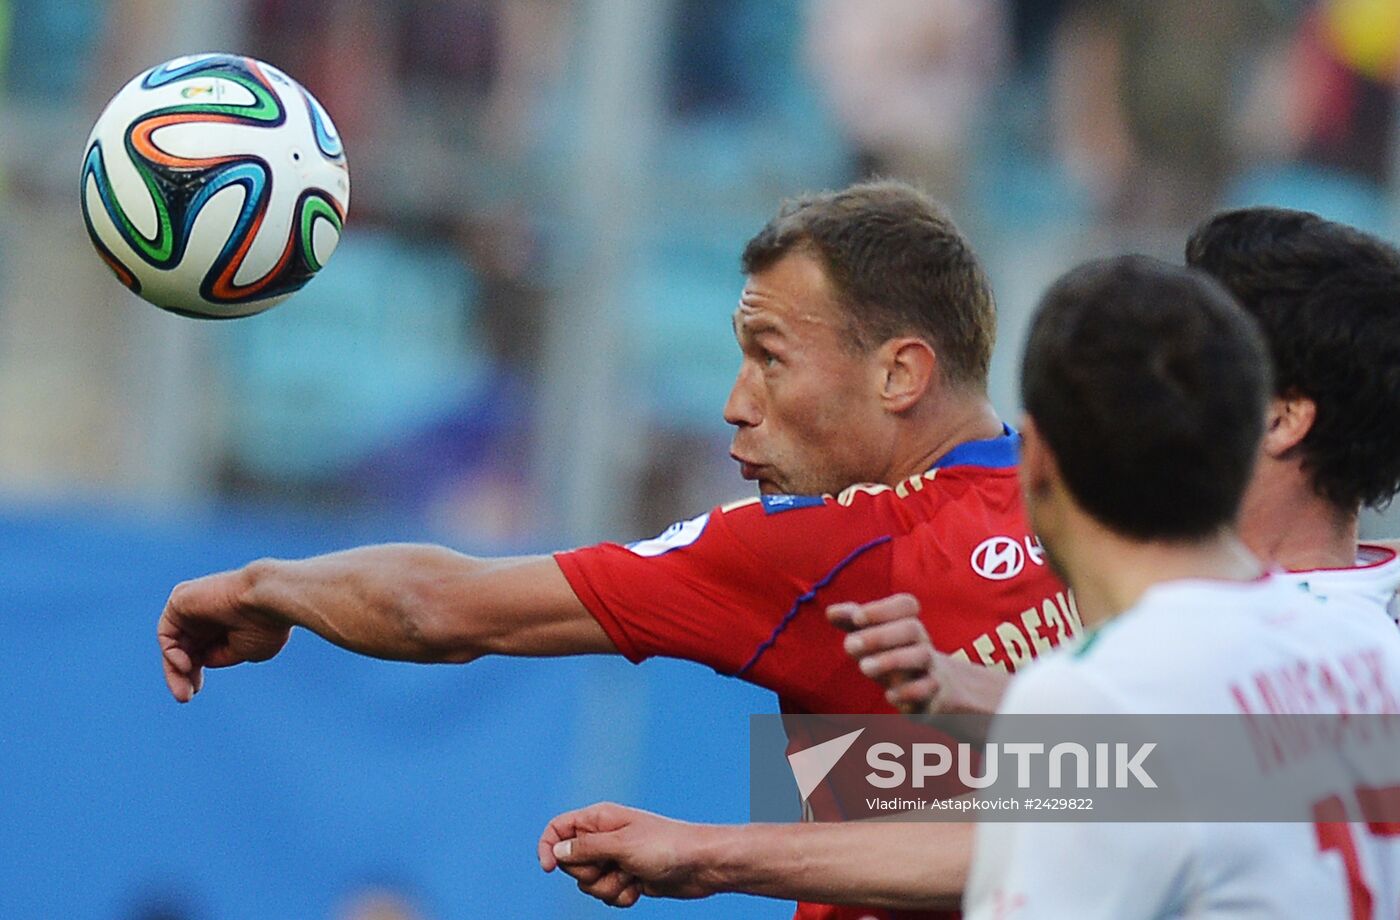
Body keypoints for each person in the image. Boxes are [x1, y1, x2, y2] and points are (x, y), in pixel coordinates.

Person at [157, 180, 1071, 920]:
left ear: (900, 373)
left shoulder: (827, 550)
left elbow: (439, 608)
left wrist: (262, 587)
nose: (735, 401)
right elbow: (1147, 793)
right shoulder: (1120, 497)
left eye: (770, 355)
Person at [540, 211, 1400, 911]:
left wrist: (709, 853)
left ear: (1283, 417)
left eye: (1198, 363)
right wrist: (973, 701)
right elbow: (1158, 766)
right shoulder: (1362, 653)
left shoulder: (1180, 659)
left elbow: (1056, 811)